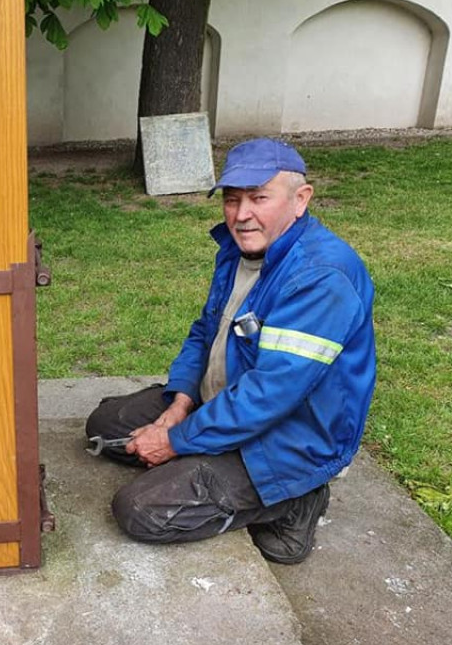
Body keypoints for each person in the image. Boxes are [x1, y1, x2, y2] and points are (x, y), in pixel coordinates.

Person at [86, 138, 375, 564]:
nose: (242, 215)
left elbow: (271, 395)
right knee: (104, 427)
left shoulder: (321, 276)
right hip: (225, 396)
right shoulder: (240, 250)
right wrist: (179, 403)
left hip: (290, 437)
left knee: (141, 511)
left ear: (301, 200)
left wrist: (175, 441)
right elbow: (206, 330)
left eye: (259, 198)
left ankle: (295, 500)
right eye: (232, 199)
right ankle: (206, 448)